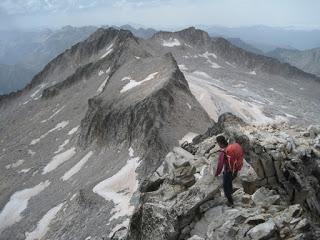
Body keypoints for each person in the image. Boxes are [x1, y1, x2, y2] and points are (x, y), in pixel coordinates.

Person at [215, 135, 243, 206]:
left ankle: (230, 202)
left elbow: (220, 165)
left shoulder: (224, 152)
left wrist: (216, 174)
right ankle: (231, 194)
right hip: (235, 170)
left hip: (229, 171)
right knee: (229, 182)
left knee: (225, 186)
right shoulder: (232, 147)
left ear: (219, 143)